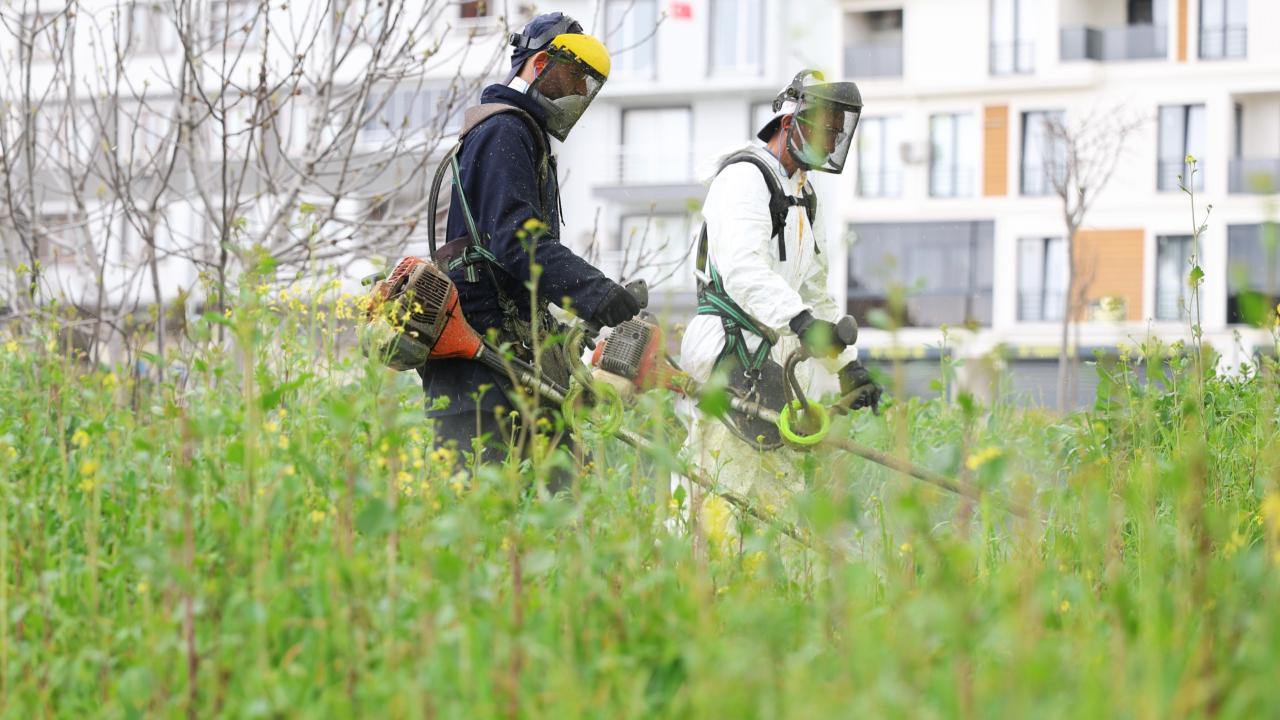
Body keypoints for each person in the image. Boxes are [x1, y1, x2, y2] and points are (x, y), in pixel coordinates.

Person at [422, 12, 640, 471]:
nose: (581, 91)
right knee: (503, 521)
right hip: (484, 377)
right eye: (575, 75)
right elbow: (516, 241)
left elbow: (511, 265)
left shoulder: (519, 133)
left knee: (560, 497)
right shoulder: (505, 130)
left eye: (588, 82)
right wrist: (595, 293)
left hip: (506, 368)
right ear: (540, 63)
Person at [680, 69, 882, 525]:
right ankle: (692, 585)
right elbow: (743, 272)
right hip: (730, 347)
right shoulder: (744, 180)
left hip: (776, 358)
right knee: (718, 486)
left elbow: (814, 292)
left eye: (837, 134)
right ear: (791, 123)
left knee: (783, 501)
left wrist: (846, 366)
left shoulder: (805, 197)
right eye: (824, 130)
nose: (831, 143)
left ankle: (774, 589)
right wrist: (801, 322)